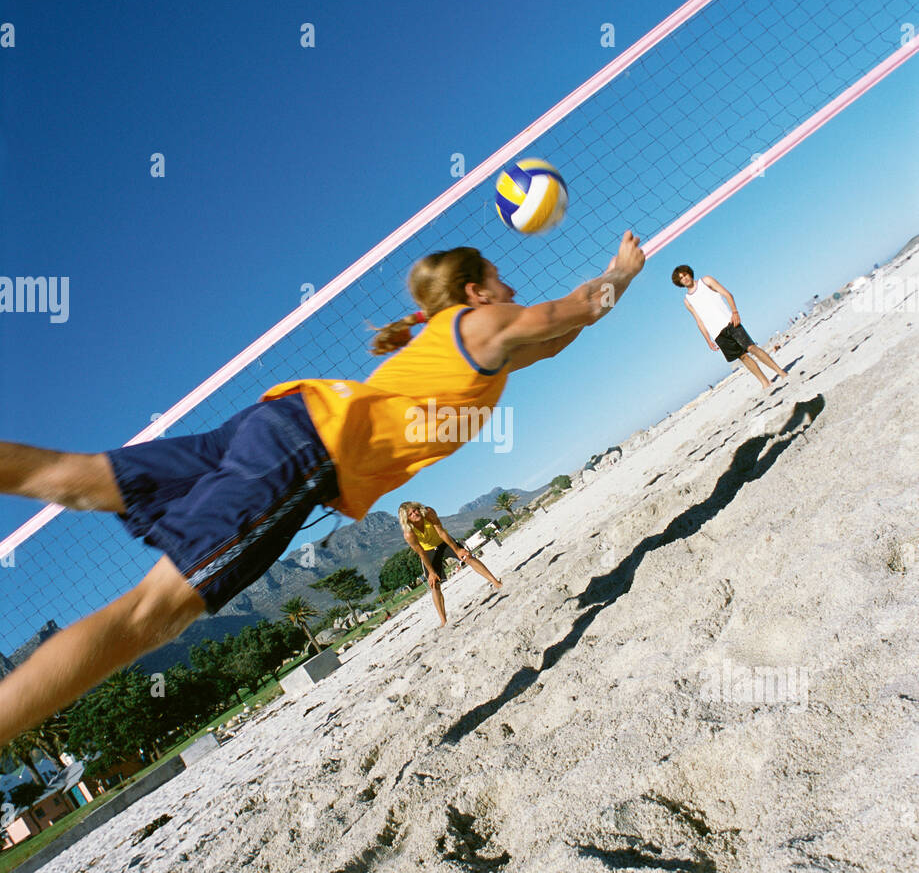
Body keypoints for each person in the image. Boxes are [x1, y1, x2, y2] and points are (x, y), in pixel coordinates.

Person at [0, 230, 645, 746]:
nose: (513, 288)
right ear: (476, 293)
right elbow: (585, 305)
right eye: (501, 280)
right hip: (299, 454)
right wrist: (621, 272)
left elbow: (559, 339)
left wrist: (599, 301)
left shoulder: (469, 346)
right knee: (146, 618)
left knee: (73, 476)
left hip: (276, 424)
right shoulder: (484, 326)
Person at [671, 264, 786, 391]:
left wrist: (735, 312)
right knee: (743, 357)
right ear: (679, 282)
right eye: (681, 278)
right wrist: (708, 340)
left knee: (752, 348)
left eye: (685, 274)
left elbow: (727, 294)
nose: (685, 278)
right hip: (717, 334)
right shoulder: (687, 301)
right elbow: (699, 321)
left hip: (729, 322)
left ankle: (781, 372)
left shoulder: (706, 281)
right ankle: (765, 382)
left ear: (689, 273)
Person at [399, 501, 501, 627]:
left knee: (467, 557)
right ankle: (443, 621)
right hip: (428, 551)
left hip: (443, 541)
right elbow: (421, 553)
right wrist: (431, 573)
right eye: (410, 514)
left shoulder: (428, 513)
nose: (415, 513)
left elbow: (441, 532)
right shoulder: (409, 533)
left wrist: (457, 550)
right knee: (434, 584)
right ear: (406, 519)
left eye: (415, 510)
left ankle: (496, 582)